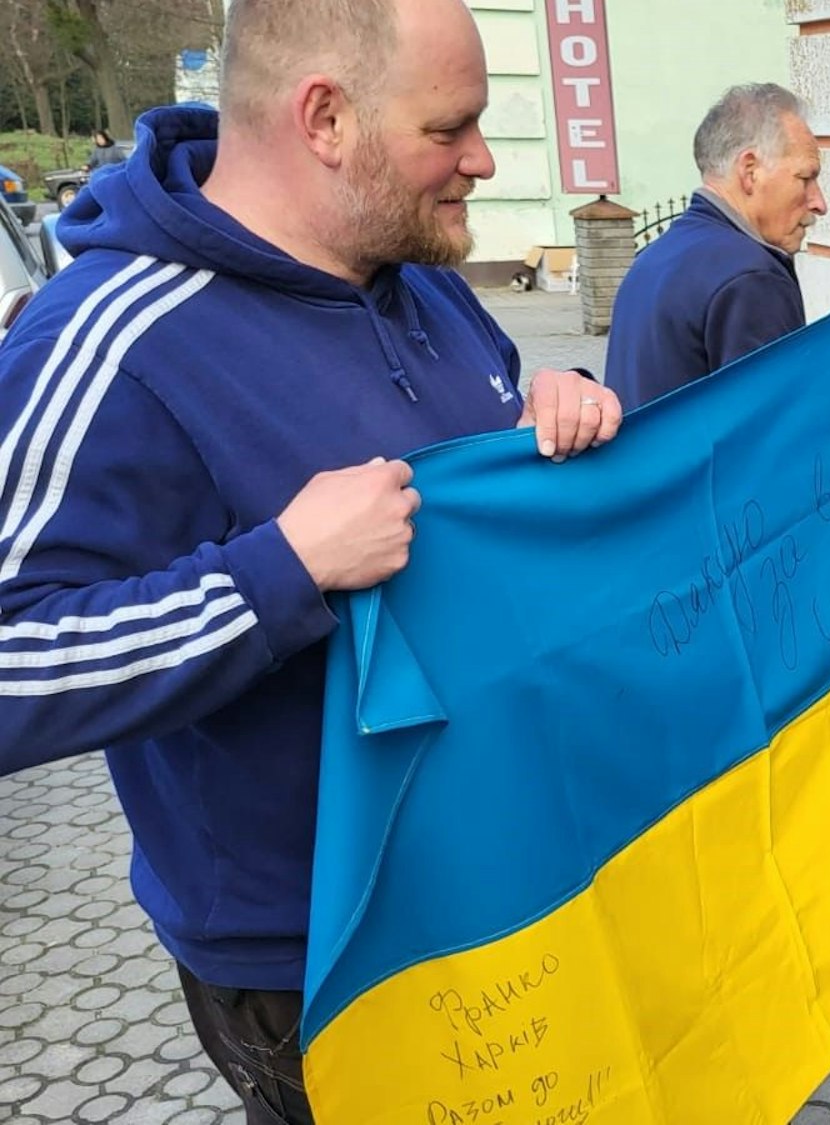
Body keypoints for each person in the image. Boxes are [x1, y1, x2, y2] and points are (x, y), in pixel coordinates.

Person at [0, 2, 623, 1121]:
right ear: (325, 119)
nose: (482, 161)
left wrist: (548, 413)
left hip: (501, 864)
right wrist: (278, 572)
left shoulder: (422, 278)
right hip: (312, 954)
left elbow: (472, 476)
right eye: (451, 129)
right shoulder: (106, 340)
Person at [606, 83, 825, 405]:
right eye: (805, 178)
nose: (819, 202)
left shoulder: (657, 255)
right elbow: (773, 433)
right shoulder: (751, 278)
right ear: (750, 171)